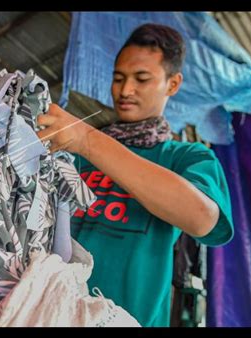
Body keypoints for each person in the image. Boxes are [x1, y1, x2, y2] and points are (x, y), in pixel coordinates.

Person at [36, 23, 234, 327]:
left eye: (142, 79)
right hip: (48, 312)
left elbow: (202, 218)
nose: (125, 91)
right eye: (118, 79)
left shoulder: (186, 157)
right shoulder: (73, 150)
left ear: (172, 84)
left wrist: (88, 140)